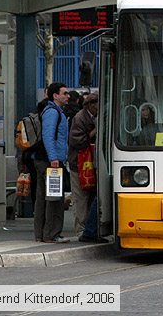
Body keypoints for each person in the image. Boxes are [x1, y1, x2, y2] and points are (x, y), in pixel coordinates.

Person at [33, 82, 70, 244]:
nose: (67, 96)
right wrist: (54, 158)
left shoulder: (52, 111)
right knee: (54, 198)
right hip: (51, 161)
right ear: (55, 95)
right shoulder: (53, 112)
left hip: (45, 159)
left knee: (43, 197)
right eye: (64, 93)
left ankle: (42, 233)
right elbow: (48, 136)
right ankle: (51, 233)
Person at [68, 93, 98, 236]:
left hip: (92, 163)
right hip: (79, 164)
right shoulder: (79, 118)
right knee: (80, 197)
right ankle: (81, 229)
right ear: (91, 105)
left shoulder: (97, 117)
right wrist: (93, 132)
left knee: (91, 195)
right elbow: (76, 141)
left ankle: (90, 227)